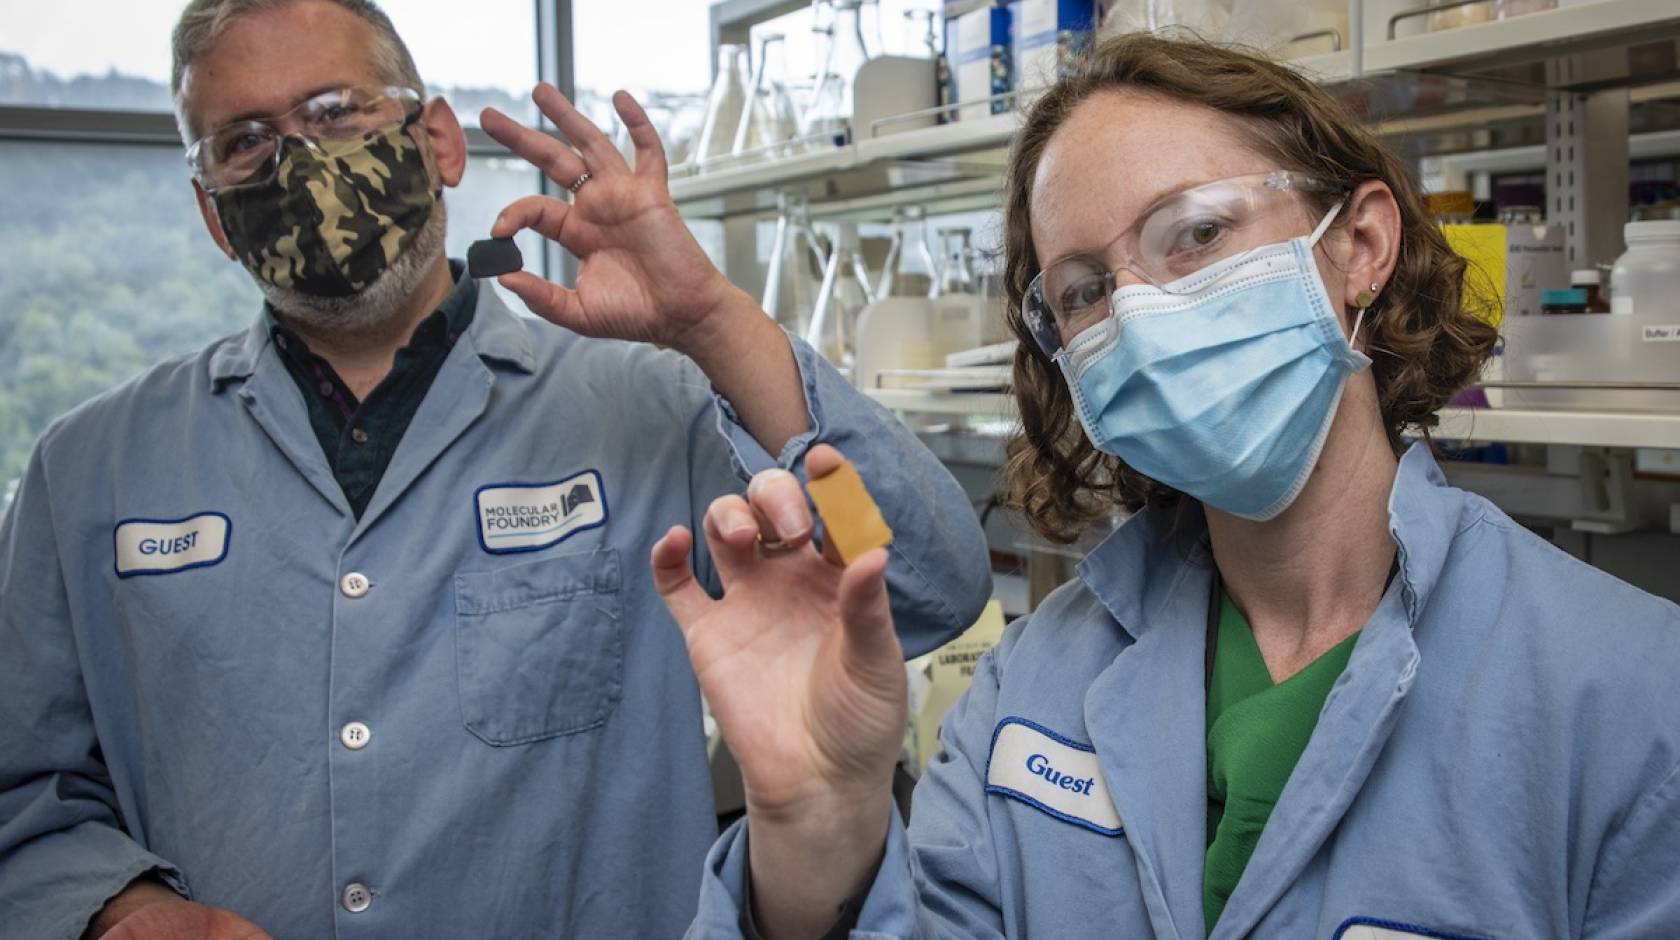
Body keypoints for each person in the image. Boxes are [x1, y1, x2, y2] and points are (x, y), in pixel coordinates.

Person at [0, 1, 992, 937]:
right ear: (215, 212)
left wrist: (712, 321)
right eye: (246, 140)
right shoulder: (90, 473)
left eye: (334, 110)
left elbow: (919, 578)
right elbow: (22, 794)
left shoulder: (651, 412)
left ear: (439, 141)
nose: (298, 160)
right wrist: (123, 909)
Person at [664, 33, 1680, 940]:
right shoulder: (1029, 688)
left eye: (1193, 233)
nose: (1139, 317)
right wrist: (814, 834)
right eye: (1086, 290)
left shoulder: (1631, 697)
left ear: (1359, 246)